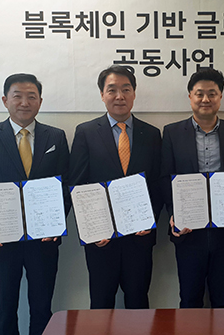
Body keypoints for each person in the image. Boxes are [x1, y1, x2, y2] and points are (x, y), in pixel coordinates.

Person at [0, 73, 69, 335]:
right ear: (5, 100)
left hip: (44, 239)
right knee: (5, 308)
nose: (24, 103)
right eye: (17, 96)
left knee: (42, 307)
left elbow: (65, 185)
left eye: (31, 97)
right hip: (2, 240)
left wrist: (57, 223)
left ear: (40, 102)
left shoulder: (56, 137)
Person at [69, 65, 162, 309]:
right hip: (101, 240)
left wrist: (149, 219)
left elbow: (157, 183)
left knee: (138, 303)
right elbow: (77, 184)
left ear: (134, 93)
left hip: (139, 238)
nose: (119, 96)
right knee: (101, 305)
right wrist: (91, 229)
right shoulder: (86, 132)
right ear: (102, 94)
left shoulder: (152, 134)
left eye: (126, 89)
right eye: (112, 90)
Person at [161, 67, 224, 308]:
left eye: (212, 93)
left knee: (223, 300)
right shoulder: (172, 133)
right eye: (199, 93)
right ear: (190, 96)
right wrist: (173, 214)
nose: (205, 99)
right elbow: (165, 177)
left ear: (220, 97)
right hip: (188, 230)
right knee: (190, 299)